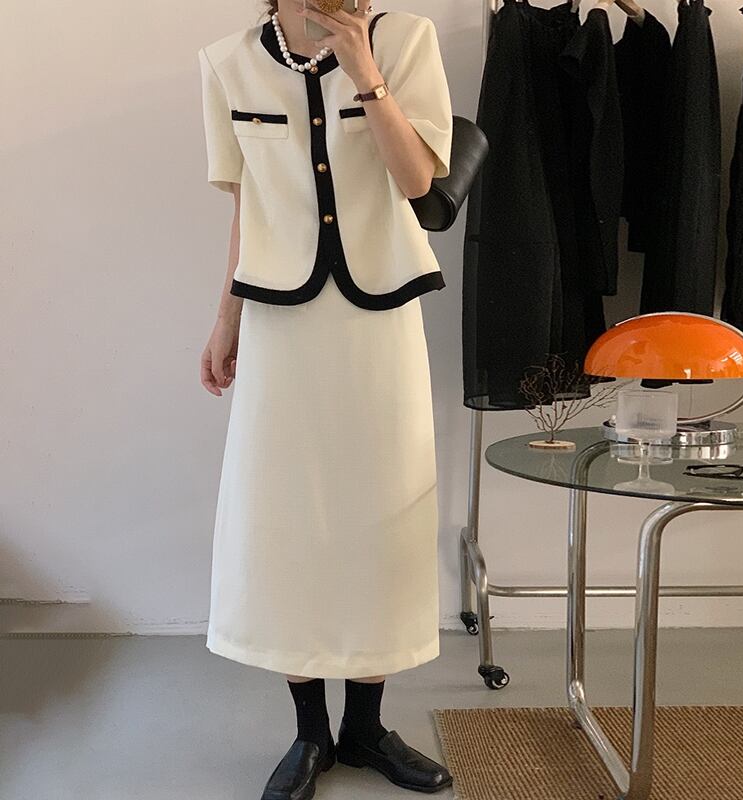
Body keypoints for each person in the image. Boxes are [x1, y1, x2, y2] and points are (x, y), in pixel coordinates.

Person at [197, 0, 454, 797]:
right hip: (281, 323)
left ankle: (366, 729)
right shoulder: (227, 63)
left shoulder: (406, 41)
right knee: (287, 517)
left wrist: (365, 71)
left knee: (386, 510)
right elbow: (248, 207)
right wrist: (226, 318)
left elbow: (417, 181)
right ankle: (310, 733)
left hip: (380, 319)